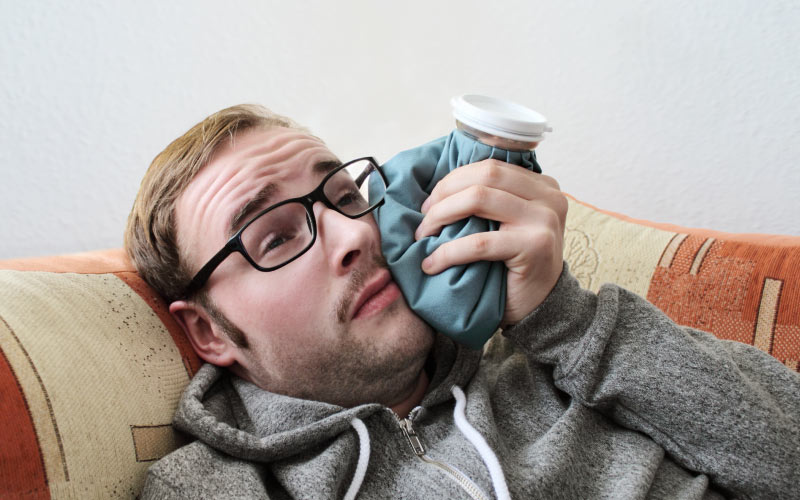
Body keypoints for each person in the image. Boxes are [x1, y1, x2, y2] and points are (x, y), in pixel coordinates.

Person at [126, 104, 799, 499]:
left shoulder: (565, 351)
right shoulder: (210, 486)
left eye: (345, 196)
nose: (357, 234)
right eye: (274, 237)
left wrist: (565, 322)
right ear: (209, 332)